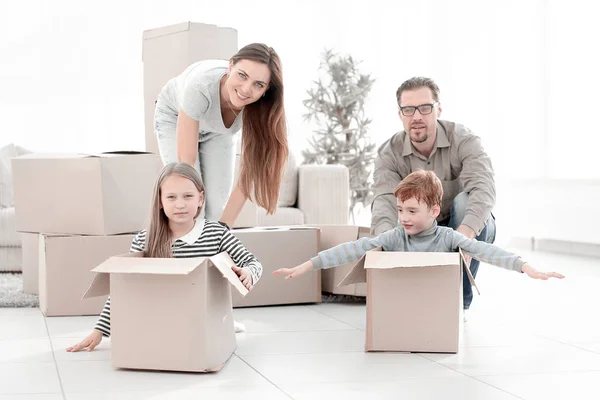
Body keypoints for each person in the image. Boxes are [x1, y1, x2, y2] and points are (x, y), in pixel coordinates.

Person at [274, 171, 563, 314]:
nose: (403, 218)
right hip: (401, 308)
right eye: (400, 210)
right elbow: (351, 249)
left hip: (438, 308)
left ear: (435, 211)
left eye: (412, 211)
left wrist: (526, 267)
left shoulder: (448, 237)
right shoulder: (394, 237)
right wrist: (307, 265)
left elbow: (485, 251)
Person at [66, 163, 262, 352]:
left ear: (200, 199)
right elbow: (122, 285)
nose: (180, 204)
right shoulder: (145, 239)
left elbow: (253, 263)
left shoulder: (216, 233)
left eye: (188, 196)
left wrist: (248, 273)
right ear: (160, 201)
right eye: (171, 197)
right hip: (164, 315)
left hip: (204, 314)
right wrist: (100, 330)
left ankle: (221, 323)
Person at [371, 76, 496, 311]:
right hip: (422, 230)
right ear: (400, 114)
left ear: (438, 109)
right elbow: (384, 199)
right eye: (408, 109)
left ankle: (458, 305)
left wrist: (465, 235)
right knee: (395, 221)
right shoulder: (389, 153)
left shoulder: (464, 140)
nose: (416, 116)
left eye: (425, 108)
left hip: (465, 227)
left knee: (465, 202)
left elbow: (483, 188)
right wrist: (383, 243)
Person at [154, 43, 288, 228]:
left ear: (266, 90)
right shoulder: (200, 87)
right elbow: (187, 163)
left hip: (217, 131)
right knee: (194, 206)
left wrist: (223, 229)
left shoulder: (262, 109)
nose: (246, 89)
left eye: (258, 84)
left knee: (216, 210)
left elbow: (250, 171)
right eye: (242, 75)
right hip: (174, 116)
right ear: (231, 66)